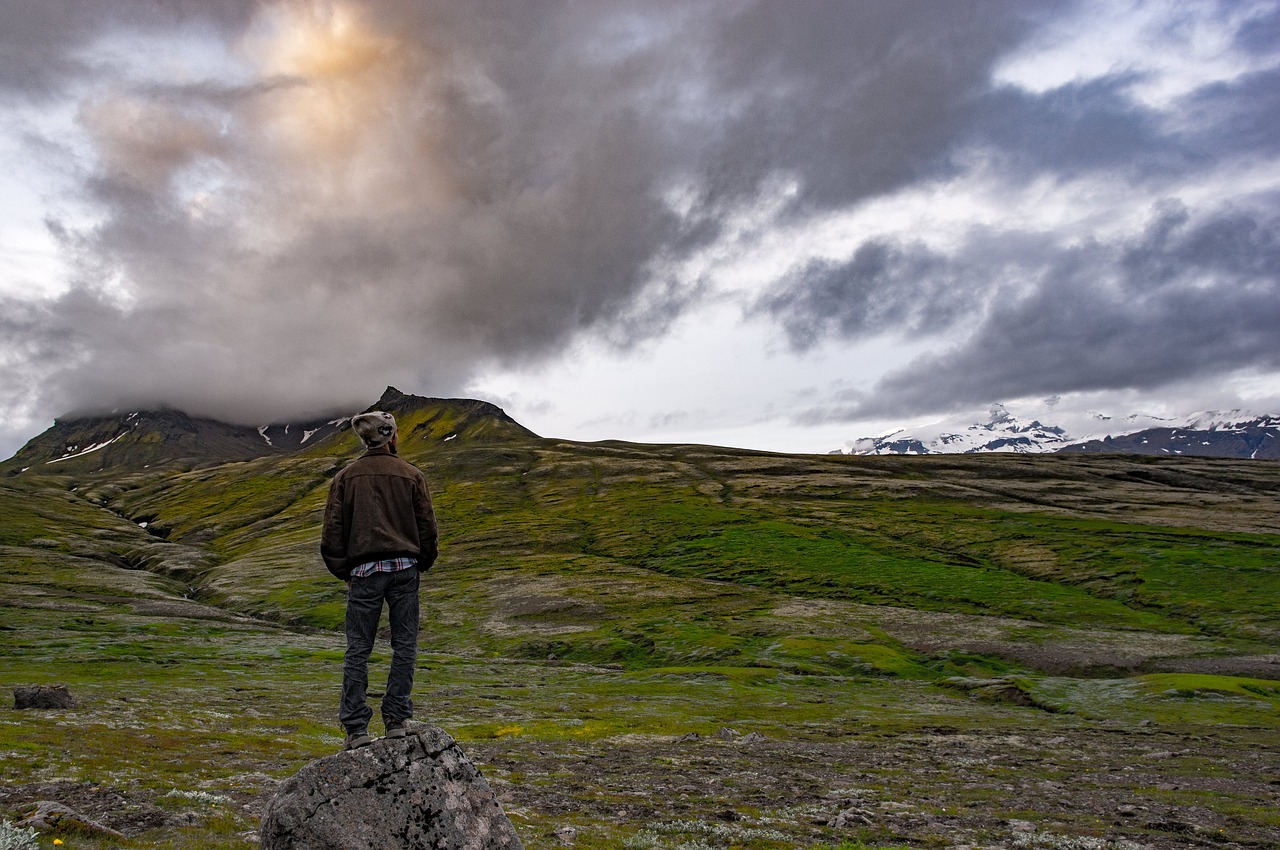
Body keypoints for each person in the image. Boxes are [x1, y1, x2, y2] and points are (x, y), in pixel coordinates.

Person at [321, 411, 438, 750]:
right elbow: (427, 526)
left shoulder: (346, 477)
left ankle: (356, 729)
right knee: (405, 645)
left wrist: (345, 570)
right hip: (405, 570)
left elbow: (332, 532)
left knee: (358, 648)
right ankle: (397, 720)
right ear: (391, 437)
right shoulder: (412, 475)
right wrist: (423, 562)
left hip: (363, 573)